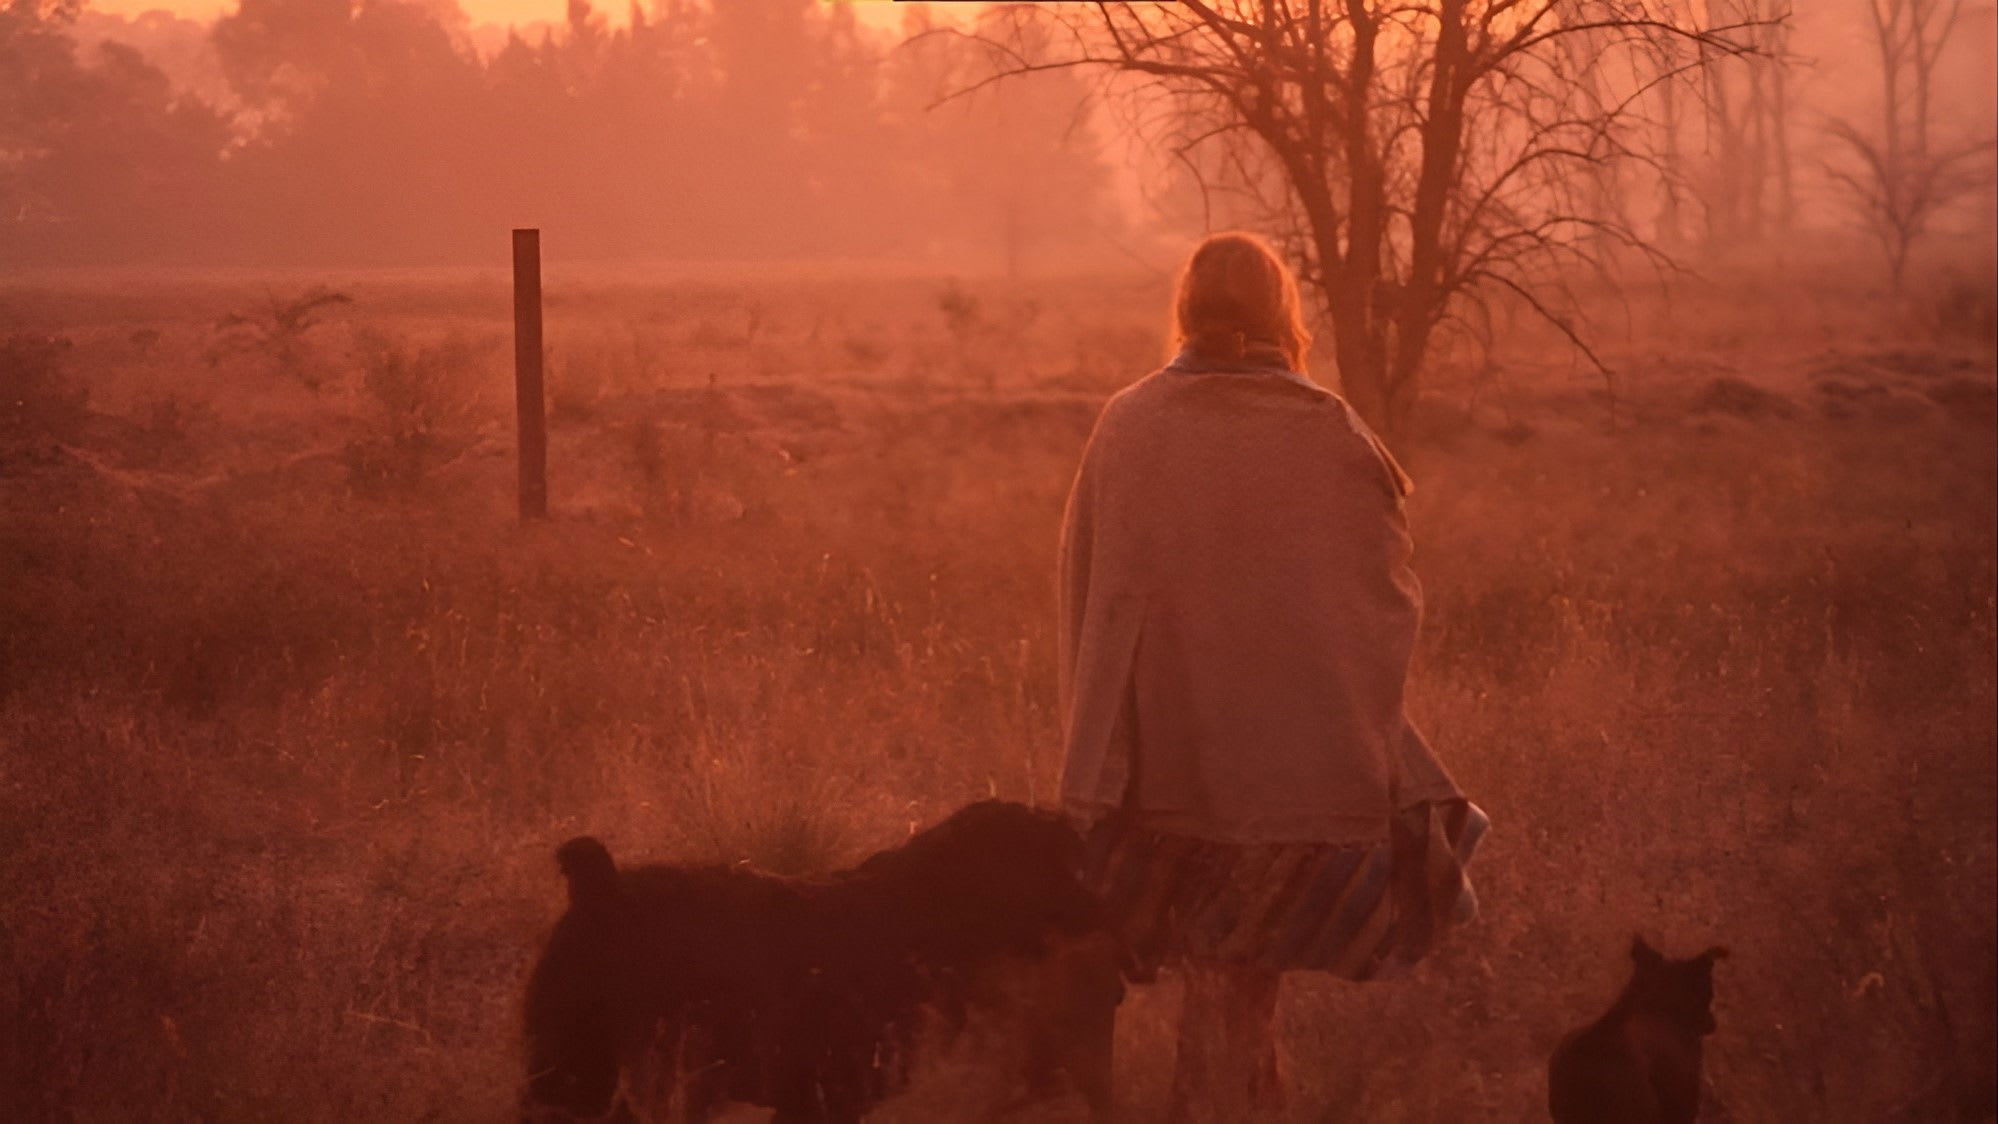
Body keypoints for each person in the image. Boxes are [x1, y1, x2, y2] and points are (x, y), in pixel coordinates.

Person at [1055, 232, 1487, 1122]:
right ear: (1280, 311)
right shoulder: (1328, 427)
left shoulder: (1130, 423)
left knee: (1230, 984)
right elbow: (1385, 592)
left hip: (1165, 767)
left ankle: (1223, 1102)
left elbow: (1087, 591)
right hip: (1292, 766)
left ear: (1185, 307)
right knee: (1239, 987)